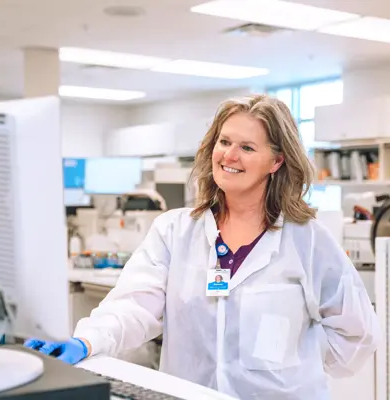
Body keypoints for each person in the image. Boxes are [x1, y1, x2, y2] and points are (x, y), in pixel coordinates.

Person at [25, 94, 380, 400]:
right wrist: (86, 341)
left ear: (276, 162)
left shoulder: (307, 239)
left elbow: (357, 333)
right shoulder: (175, 231)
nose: (230, 155)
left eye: (247, 147)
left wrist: (294, 362)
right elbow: (134, 306)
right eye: (224, 142)